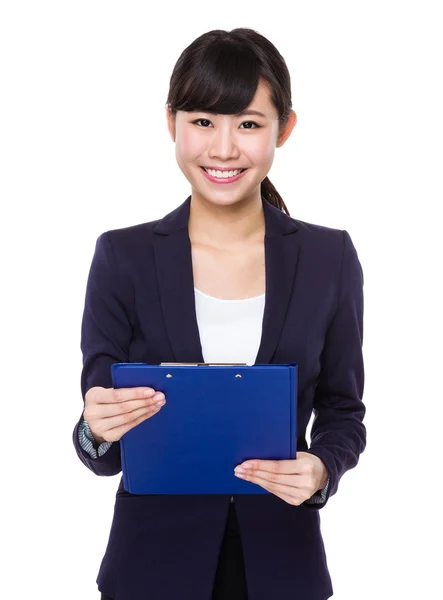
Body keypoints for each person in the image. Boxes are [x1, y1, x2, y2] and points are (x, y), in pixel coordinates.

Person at [73, 27, 366, 600]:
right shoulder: (123, 256)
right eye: (203, 121)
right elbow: (96, 442)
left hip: (284, 565)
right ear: (171, 125)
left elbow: (342, 410)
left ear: (285, 128)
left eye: (249, 124)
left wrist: (323, 470)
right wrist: (97, 429)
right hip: (149, 569)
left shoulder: (329, 256)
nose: (224, 148)